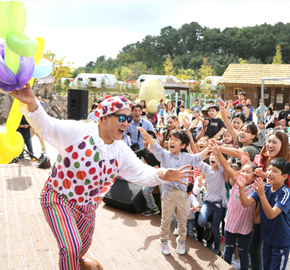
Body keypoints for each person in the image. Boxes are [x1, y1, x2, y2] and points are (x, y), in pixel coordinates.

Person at [11, 83, 193, 270]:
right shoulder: (79, 132)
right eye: (122, 117)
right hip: (59, 198)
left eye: (129, 118)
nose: (127, 122)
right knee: (70, 248)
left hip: (88, 208)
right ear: (105, 117)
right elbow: (46, 125)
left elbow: (140, 172)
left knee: (79, 250)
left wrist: (163, 173)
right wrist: (32, 103)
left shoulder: (120, 150)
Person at [138, 128, 208, 256]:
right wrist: (146, 135)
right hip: (168, 194)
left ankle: (181, 241)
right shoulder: (164, 154)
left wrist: (210, 149)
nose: (172, 141)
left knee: (182, 220)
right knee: (166, 220)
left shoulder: (187, 156)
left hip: (182, 194)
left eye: (176, 140)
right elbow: (154, 145)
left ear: (182, 145)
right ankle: (163, 240)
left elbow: (198, 157)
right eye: (170, 139)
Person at [239, 158, 290, 270]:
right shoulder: (265, 188)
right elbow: (245, 203)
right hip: (268, 237)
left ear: (284, 176)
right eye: (268, 169)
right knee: (266, 267)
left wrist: (262, 195)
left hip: (281, 240)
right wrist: (241, 187)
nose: (269, 173)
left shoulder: (286, 193)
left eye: (274, 171)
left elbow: (271, 214)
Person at [197, 140, 230, 255]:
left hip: (219, 205)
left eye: (216, 156)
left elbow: (223, 164)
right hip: (207, 203)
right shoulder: (206, 168)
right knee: (201, 221)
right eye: (212, 155)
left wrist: (218, 152)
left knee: (216, 230)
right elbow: (196, 159)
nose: (213, 157)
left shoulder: (221, 171)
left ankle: (217, 249)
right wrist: (207, 149)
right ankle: (208, 226)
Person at [223, 163, 257, 270]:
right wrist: (217, 152)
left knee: (243, 254)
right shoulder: (236, 182)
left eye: (248, 172)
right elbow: (227, 167)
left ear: (255, 176)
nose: (244, 173)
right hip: (231, 224)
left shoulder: (255, 188)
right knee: (228, 251)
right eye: (242, 171)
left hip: (245, 226)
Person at [135, 131, 161, 216]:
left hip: (163, 175)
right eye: (144, 139)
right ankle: (153, 208)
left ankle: (166, 213)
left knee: (163, 192)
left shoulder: (159, 150)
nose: (146, 141)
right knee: (145, 190)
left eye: (148, 139)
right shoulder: (143, 151)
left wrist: (152, 153)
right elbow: (132, 155)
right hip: (153, 175)